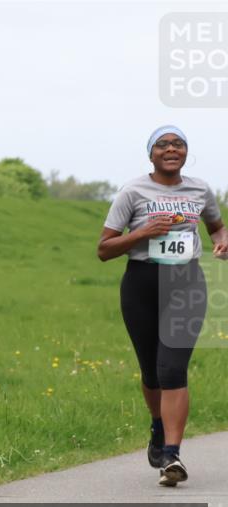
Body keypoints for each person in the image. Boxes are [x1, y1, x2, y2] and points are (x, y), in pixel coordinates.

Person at [97, 125, 227, 486]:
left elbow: (217, 227)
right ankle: (157, 426)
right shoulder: (132, 191)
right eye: (163, 145)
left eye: (178, 144)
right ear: (151, 154)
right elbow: (104, 249)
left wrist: (222, 242)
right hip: (141, 283)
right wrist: (143, 232)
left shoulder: (200, 190)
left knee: (172, 369)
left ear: (186, 152)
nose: (171, 149)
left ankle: (171, 455)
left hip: (186, 283)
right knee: (151, 373)